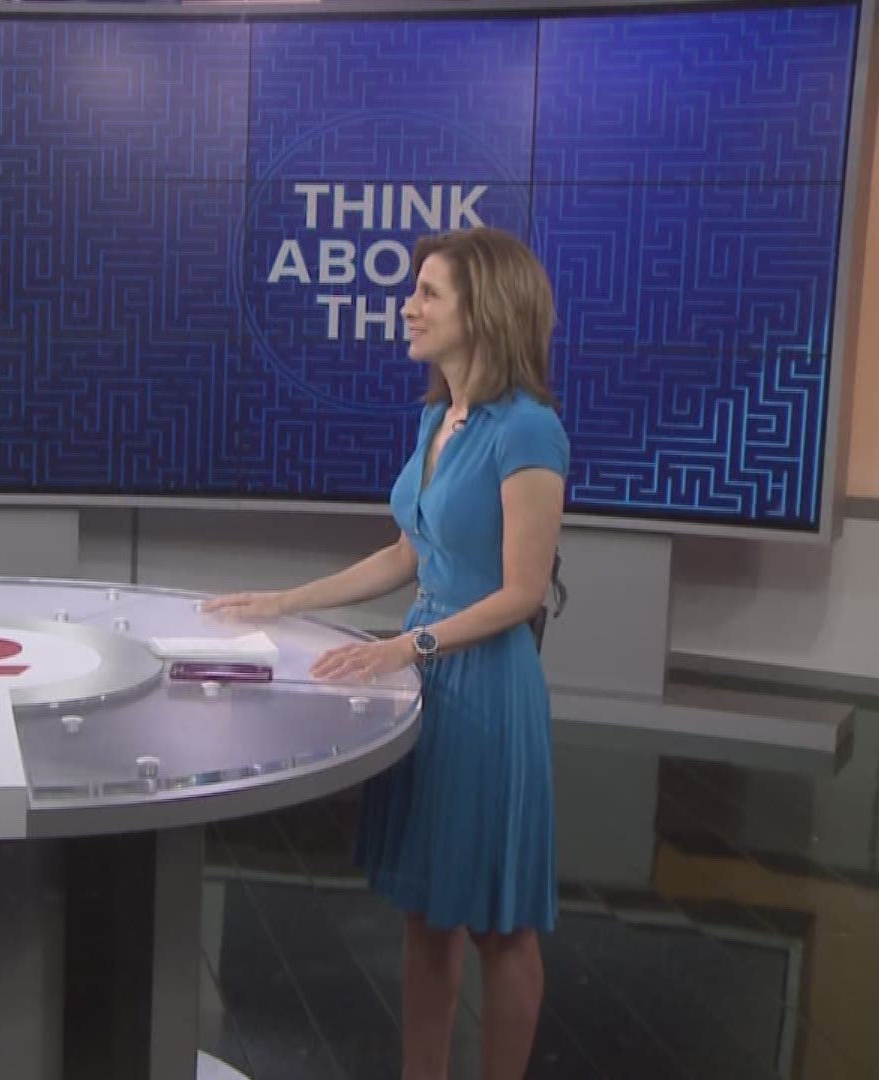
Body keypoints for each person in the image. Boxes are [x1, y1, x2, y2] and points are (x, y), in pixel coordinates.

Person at [205, 226, 567, 1080]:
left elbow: (521, 591)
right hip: (425, 677)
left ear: (485, 310)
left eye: (429, 292)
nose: (408, 305)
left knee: (500, 924)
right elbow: (409, 553)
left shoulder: (529, 431)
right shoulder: (439, 417)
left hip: (484, 688)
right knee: (425, 915)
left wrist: (409, 642)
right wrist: (285, 601)